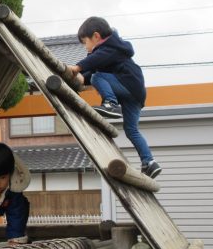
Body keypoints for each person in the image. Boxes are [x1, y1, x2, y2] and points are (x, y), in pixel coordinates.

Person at [67, 16, 161, 178]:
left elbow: (96, 61)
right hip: (135, 95)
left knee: (98, 77)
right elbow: (94, 67)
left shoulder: (112, 47)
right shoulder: (109, 52)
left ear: (96, 36)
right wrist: (80, 76)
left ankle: (111, 103)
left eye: (85, 42)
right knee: (131, 130)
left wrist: (78, 67)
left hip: (128, 85)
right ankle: (149, 163)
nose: (85, 47)